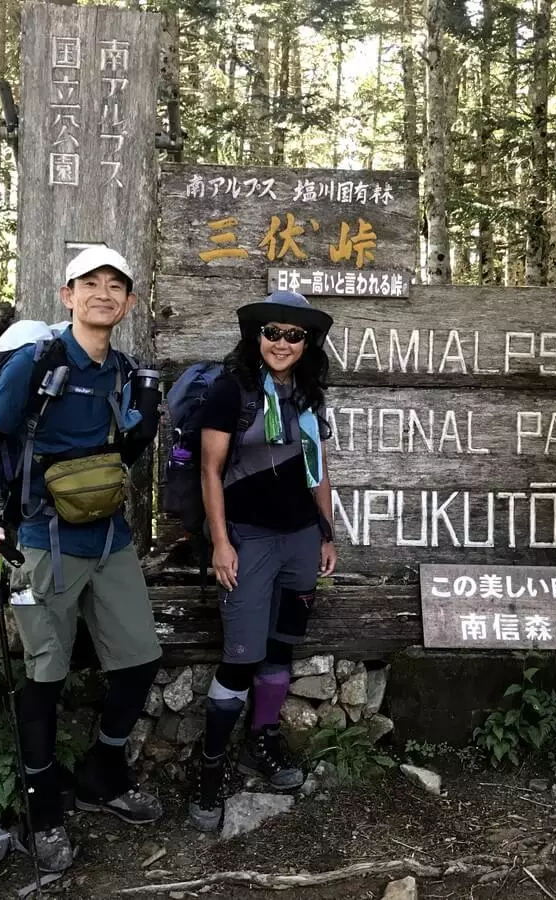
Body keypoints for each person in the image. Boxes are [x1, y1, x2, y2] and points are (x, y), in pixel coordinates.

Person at [0, 246, 163, 872]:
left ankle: (104, 770)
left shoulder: (123, 369)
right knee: (45, 676)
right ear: (67, 295)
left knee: (139, 660)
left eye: (116, 286)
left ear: (129, 304)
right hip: (43, 543)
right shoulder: (38, 361)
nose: (103, 294)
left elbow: (117, 456)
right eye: (90, 283)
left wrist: (146, 422)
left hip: (109, 539)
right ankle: (43, 805)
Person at [186, 291, 339, 832]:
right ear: (257, 337)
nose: (281, 343)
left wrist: (326, 533)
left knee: (281, 648)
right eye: (272, 333)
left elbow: (317, 470)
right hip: (247, 541)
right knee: (240, 657)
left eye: (293, 335)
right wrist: (220, 543)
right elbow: (210, 471)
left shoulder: (310, 396)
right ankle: (209, 772)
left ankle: (263, 743)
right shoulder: (232, 391)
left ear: (307, 343)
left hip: (300, 539)